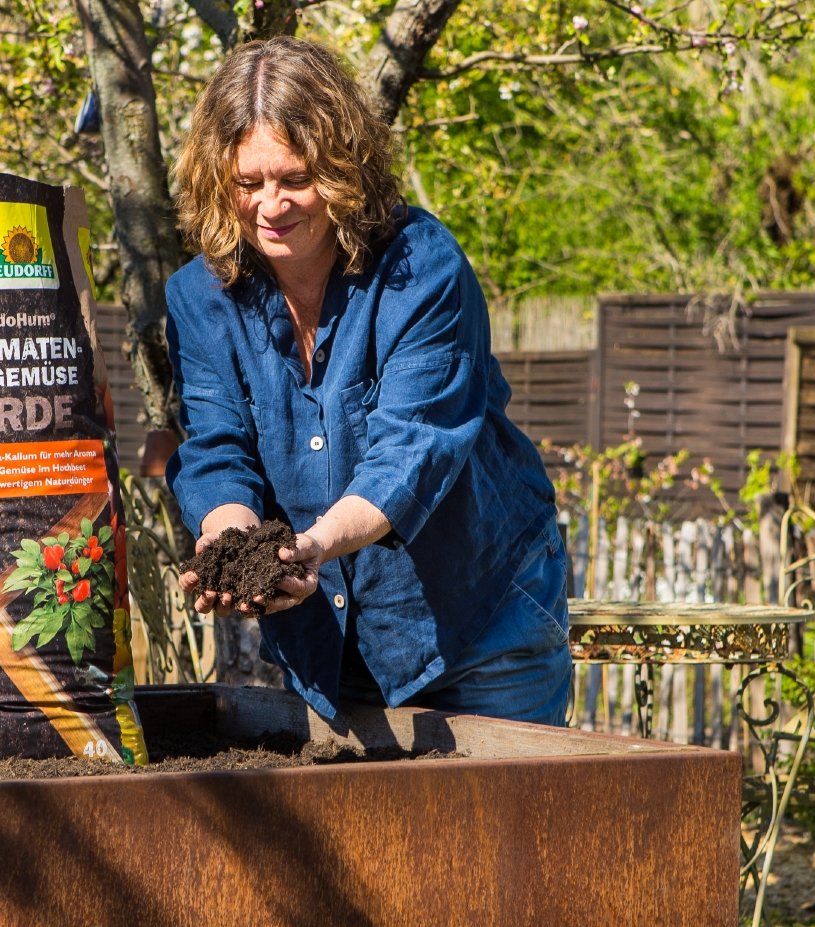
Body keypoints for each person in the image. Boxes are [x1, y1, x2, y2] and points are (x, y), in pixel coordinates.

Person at [165, 36, 571, 726]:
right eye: (248, 183)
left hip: (479, 627)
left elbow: (413, 448)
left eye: (296, 179)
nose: (271, 205)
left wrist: (311, 545)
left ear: (342, 168)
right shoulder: (198, 297)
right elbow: (216, 445)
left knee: (500, 835)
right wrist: (232, 546)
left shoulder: (423, 269)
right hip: (329, 648)